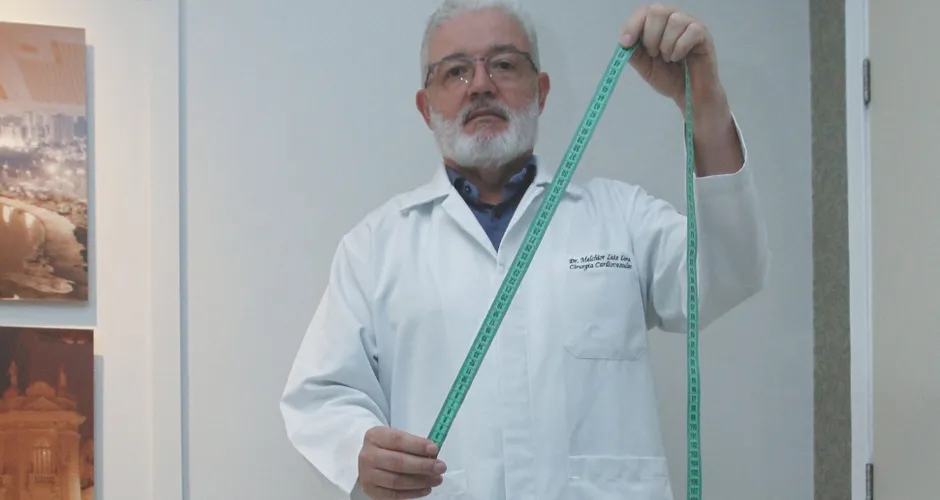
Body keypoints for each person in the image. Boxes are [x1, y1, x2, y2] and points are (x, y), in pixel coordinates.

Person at [280, 1, 770, 499]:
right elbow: (320, 395)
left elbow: (728, 273)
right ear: (426, 108)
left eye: (504, 64)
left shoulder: (621, 218)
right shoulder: (375, 247)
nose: (480, 85)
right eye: (455, 71)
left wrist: (704, 105)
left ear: (541, 92)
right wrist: (358, 449)